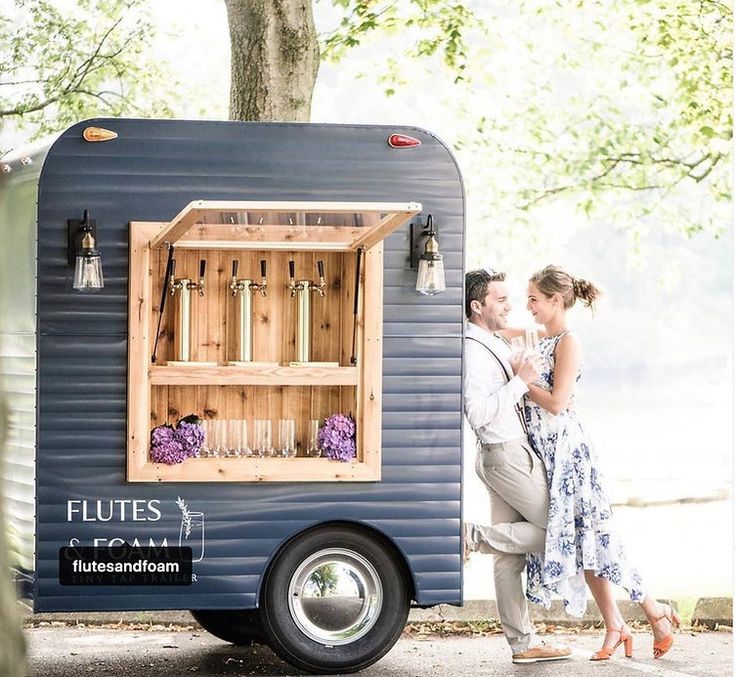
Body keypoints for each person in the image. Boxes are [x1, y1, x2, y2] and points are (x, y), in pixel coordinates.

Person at [518, 265, 680, 660]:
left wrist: (524, 382)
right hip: (549, 456)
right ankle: (618, 625)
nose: (528, 307)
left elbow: (557, 403)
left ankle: (655, 613)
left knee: (600, 542)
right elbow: (500, 335)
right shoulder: (544, 336)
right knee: (585, 545)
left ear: (556, 300)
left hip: (569, 457)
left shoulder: (568, 343)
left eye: (534, 299)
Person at [463, 268, 571, 664]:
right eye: (501, 300)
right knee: (560, 533)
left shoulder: (486, 341)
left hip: (501, 454)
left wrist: (523, 374)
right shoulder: (473, 351)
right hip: (506, 455)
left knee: (509, 558)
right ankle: (471, 537)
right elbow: (477, 413)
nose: (510, 306)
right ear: (478, 307)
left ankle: (523, 646)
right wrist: (521, 382)